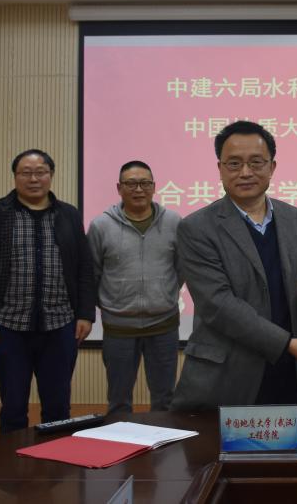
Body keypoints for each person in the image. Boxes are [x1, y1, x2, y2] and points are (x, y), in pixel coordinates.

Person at [170, 121, 297, 410]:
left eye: (256, 162)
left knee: (295, 438)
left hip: (291, 372)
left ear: (272, 167)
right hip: (229, 374)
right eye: (234, 164)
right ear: (220, 168)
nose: (245, 172)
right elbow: (218, 304)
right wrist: (286, 344)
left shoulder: (292, 217)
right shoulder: (196, 227)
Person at [0, 149, 96, 434]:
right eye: (25, 173)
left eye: (40, 172)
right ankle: (12, 461)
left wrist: (86, 314)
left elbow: (84, 268)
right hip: (8, 327)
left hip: (60, 325)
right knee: (13, 407)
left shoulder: (68, 215)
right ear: (15, 177)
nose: (33, 179)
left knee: (58, 407)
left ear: (51, 175)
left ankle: (57, 459)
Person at [88, 161, 182, 415]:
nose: (138, 189)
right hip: (118, 327)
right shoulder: (101, 225)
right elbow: (93, 273)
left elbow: (181, 268)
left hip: (164, 325)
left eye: (144, 183)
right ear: (119, 188)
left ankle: (164, 440)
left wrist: (164, 293)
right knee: (118, 400)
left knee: (165, 399)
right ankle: (121, 439)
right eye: (131, 184)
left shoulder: (174, 222)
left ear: (154, 187)